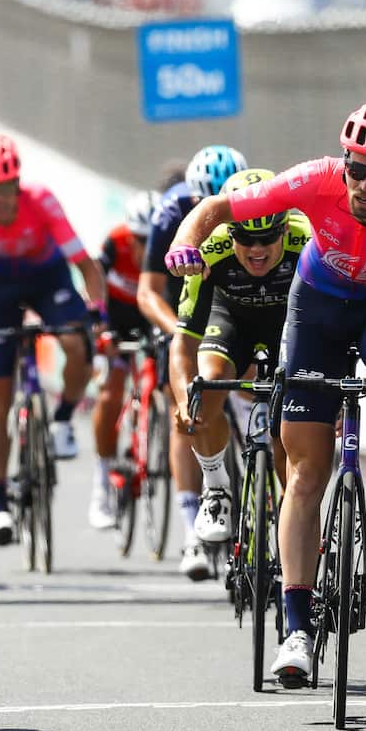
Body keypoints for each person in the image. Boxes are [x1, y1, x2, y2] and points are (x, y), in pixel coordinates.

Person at [166, 102, 366, 685]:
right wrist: (187, 237)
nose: (364, 183)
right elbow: (218, 206)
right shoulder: (314, 179)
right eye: (357, 168)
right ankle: (296, 628)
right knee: (304, 473)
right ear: (343, 161)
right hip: (315, 308)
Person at [0, 134, 106, 545]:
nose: (2, 201)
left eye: (8, 191)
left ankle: (62, 420)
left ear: (18, 184)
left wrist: (97, 314)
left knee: (77, 343)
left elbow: (86, 264)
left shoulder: (41, 200)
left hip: (46, 277)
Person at [169, 170, 314, 577]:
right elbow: (183, 342)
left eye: (268, 238)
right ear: (228, 232)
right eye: (245, 238)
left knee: (295, 416)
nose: (257, 248)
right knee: (207, 388)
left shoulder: (310, 240)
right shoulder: (211, 250)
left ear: (285, 227)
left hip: (289, 320)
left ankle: (294, 513)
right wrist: (185, 400)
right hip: (229, 318)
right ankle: (216, 488)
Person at [138, 144, 247, 570]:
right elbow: (148, 291)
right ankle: (191, 533)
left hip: (233, 289)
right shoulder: (171, 214)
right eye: (205, 204)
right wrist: (177, 332)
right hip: (178, 297)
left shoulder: (255, 213)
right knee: (184, 404)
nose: (215, 216)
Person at [88, 190, 155, 531]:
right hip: (117, 318)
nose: (145, 247)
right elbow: (93, 283)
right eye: (139, 240)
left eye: (152, 239)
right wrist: (100, 327)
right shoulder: (114, 243)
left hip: (150, 315)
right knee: (112, 393)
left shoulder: (168, 245)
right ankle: (101, 481)